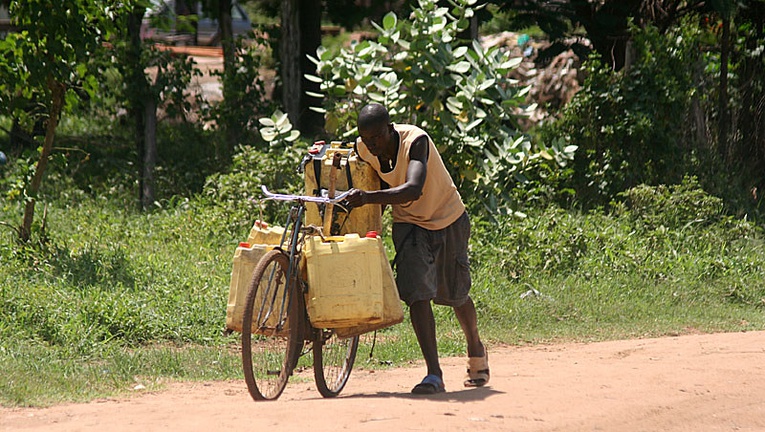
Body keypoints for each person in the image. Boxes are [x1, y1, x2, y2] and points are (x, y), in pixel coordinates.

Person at [344, 103, 489, 394]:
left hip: (447, 217)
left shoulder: (416, 141)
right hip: (409, 223)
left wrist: (367, 198)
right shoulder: (363, 149)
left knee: (455, 295)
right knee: (418, 295)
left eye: (377, 137)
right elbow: (358, 177)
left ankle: (475, 348)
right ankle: (434, 374)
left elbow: (413, 188)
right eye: (366, 138)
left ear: (390, 128)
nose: (371, 144)